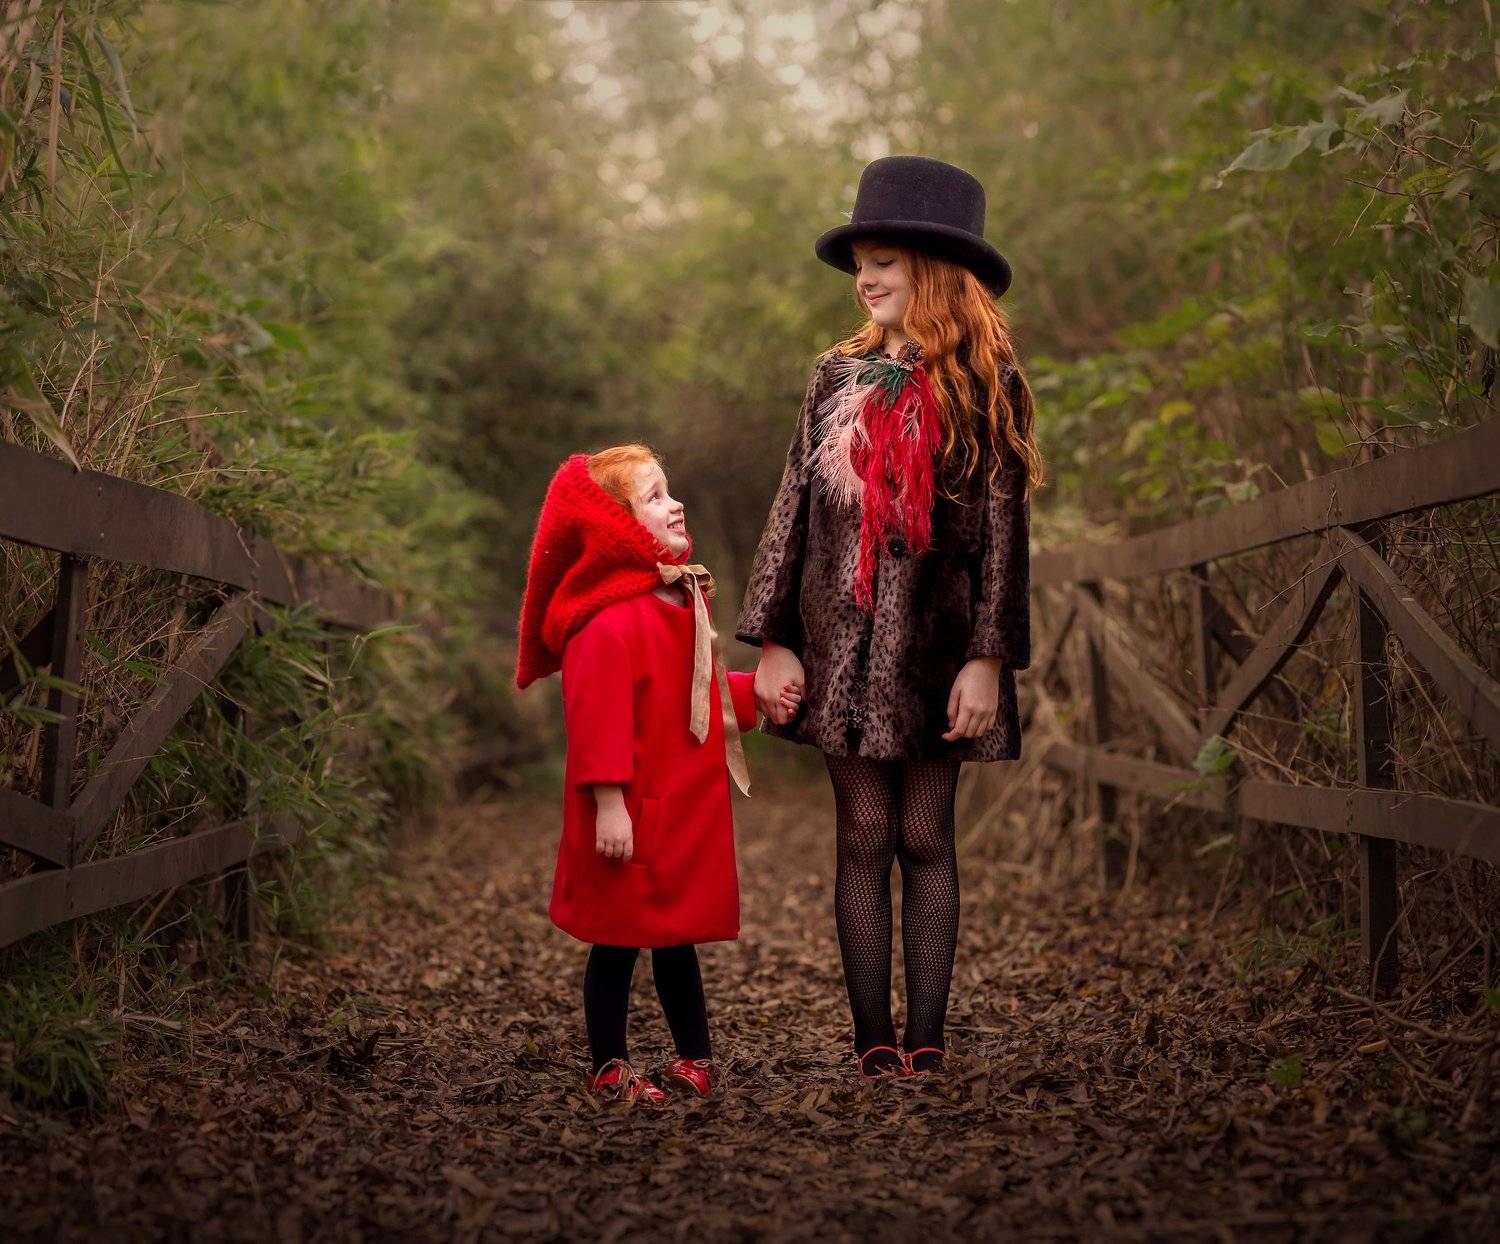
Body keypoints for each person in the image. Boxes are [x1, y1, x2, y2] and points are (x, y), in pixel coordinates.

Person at [736, 155, 1044, 1080]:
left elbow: (1004, 534)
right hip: (840, 649)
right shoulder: (835, 377)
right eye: (860, 264)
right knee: (864, 835)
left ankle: (928, 1042)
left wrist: (989, 657)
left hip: (939, 657)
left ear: (935, 272)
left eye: (884, 264)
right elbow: (793, 507)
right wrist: (775, 641)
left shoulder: (987, 383)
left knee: (926, 836)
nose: (865, 280)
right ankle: (874, 1040)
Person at [516, 444, 800, 1103]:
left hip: (675, 807)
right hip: (629, 809)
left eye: (668, 491)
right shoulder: (605, 621)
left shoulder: (673, 599)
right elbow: (597, 718)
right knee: (615, 943)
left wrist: (755, 695)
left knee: (676, 939)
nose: (675, 504)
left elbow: (689, 690)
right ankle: (608, 1065)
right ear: (615, 527)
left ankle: (693, 1056)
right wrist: (609, 803)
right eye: (653, 497)